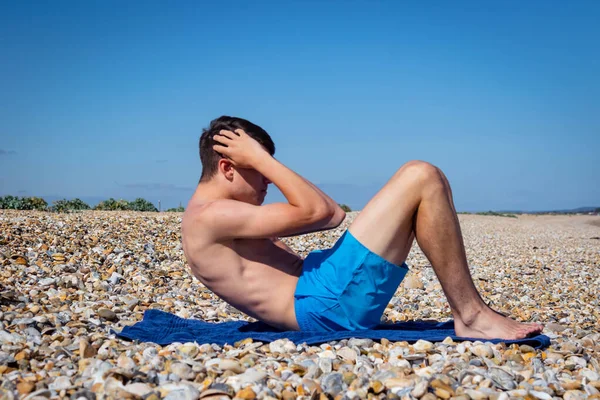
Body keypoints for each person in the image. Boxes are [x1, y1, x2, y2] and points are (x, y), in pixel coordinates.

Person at [181, 116, 544, 339]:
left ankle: (471, 313)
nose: (268, 182)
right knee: (421, 175)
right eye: (258, 171)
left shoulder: (220, 216)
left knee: (424, 187)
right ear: (229, 168)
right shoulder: (211, 216)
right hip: (323, 305)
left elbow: (319, 216)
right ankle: (472, 315)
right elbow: (327, 213)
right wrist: (261, 157)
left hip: (322, 295)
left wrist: (260, 161)